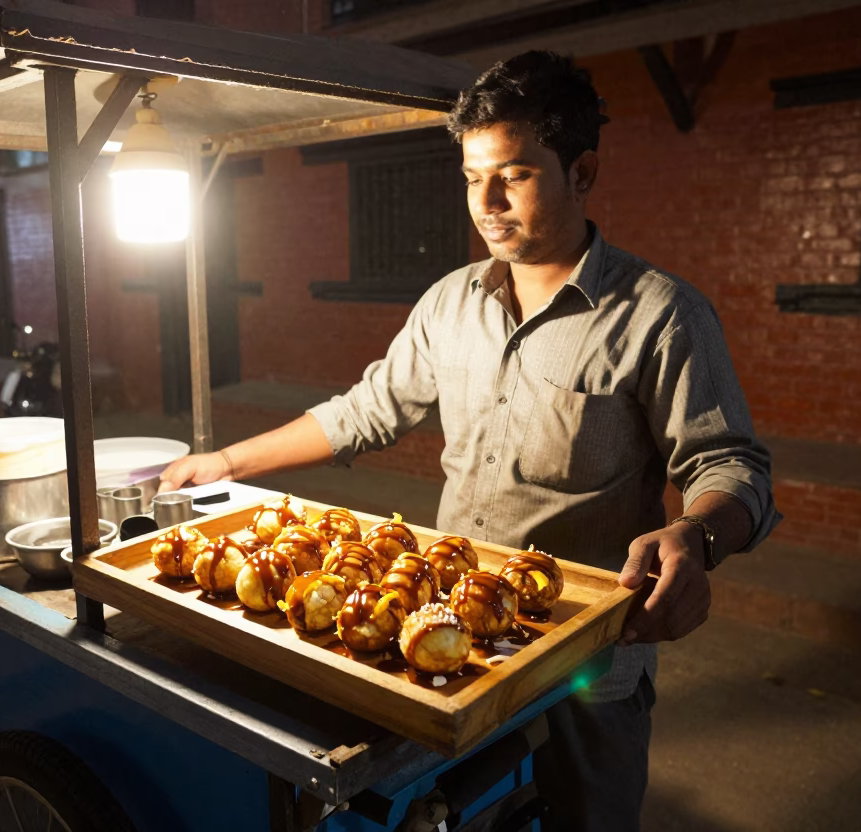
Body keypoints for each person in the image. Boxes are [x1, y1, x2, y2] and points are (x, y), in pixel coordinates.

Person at [161, 51, 780, 831]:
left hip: (582, 670)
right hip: (449, 643)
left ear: (582, 171)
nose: (485, 202)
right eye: (470, 176)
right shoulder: (452, 300)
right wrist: (223, 461)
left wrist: (699, 533)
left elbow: (731, 464)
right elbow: (367, 410)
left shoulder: (660, 315)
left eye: (514, 174)